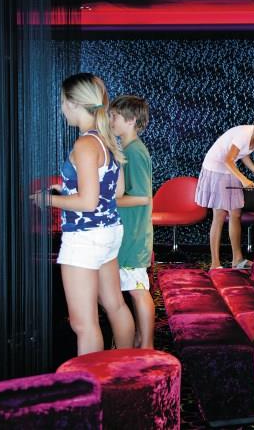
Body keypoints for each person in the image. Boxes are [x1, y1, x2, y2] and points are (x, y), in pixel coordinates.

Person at [31, 73, 134, 355]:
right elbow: (115, 190)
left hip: (85, 238)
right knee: (115, 305)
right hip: (108, 231)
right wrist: (66, 188)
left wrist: (48, 200)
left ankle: (92, 382)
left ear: (74, 103)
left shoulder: (85, 144)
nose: (61, 108)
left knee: (83, 324)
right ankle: (128, 369)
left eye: (62, 101)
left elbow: (88, 202)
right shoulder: (107, 140)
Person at [196, 108, 254, 269]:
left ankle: (237, 260)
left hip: (228, 169)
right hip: (216, 169)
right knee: (219, 215)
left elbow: (243, 155)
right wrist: (244, 180)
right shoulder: (245, 134)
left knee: (235, 214)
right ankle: (215, 264)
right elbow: (228, 160)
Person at [110, 95, 155, 349]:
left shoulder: (135, 152)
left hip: (134, 234)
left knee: (138, 291)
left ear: (131, 120)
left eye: (114, 117)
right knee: (133, 289)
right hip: (130, 232)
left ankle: (147, 346)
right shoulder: (128, 150)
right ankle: (139, 339)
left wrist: (106, 201)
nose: (111, 121)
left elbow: (142, 197)